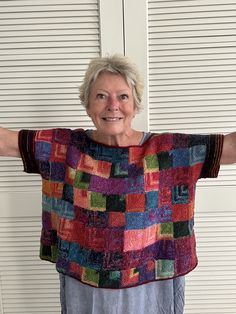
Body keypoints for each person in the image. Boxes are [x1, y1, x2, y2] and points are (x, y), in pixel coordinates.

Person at [0, 54, 236, 314]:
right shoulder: (66, 148)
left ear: (135, 104)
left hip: (152, 280)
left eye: (123, 96)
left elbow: (231, 147)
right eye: (101, 96)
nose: (113, 106)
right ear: (88, 104)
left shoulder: (166, 151)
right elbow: (6, 141)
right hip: (85, 281)